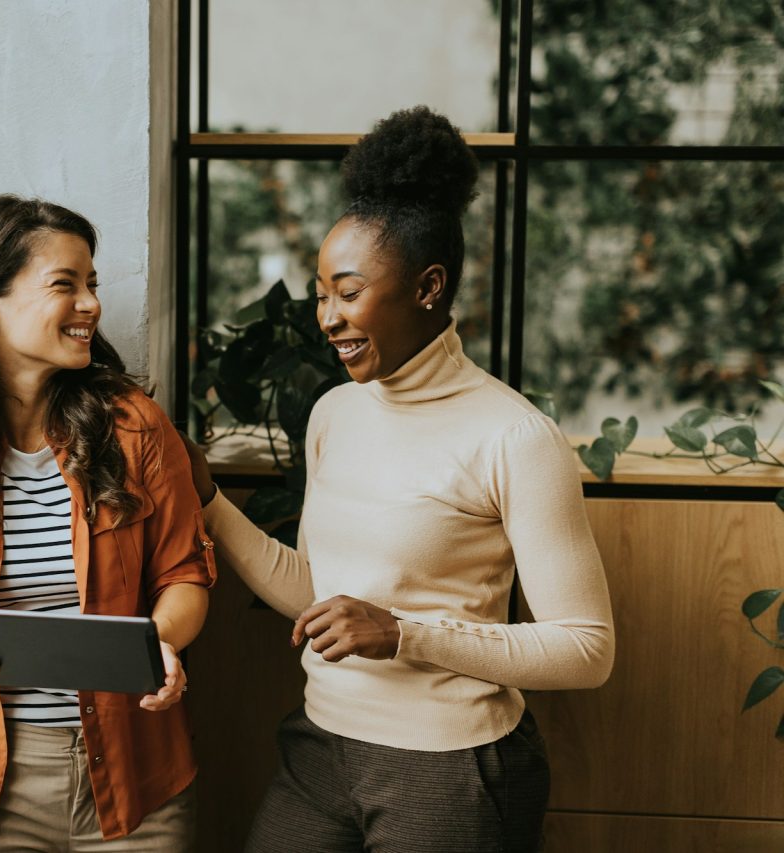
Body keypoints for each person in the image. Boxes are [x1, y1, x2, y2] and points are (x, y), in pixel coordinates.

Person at [184, 107, 615, 852]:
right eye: (321, 294)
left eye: (347, 293)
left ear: (428, 286)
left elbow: (587, 648)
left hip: (451, 767)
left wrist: (402, 632)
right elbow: (322, 593)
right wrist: (209, 502)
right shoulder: (333, 414)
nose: (327, 317)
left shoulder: (514, 436)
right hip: (320, 748)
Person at [0, 195, 215, 851]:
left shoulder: (136, 424)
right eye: (66, 284)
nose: (90, 303)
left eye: (92, 283)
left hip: (137, 773)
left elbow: (186, 576)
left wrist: (161, 644)